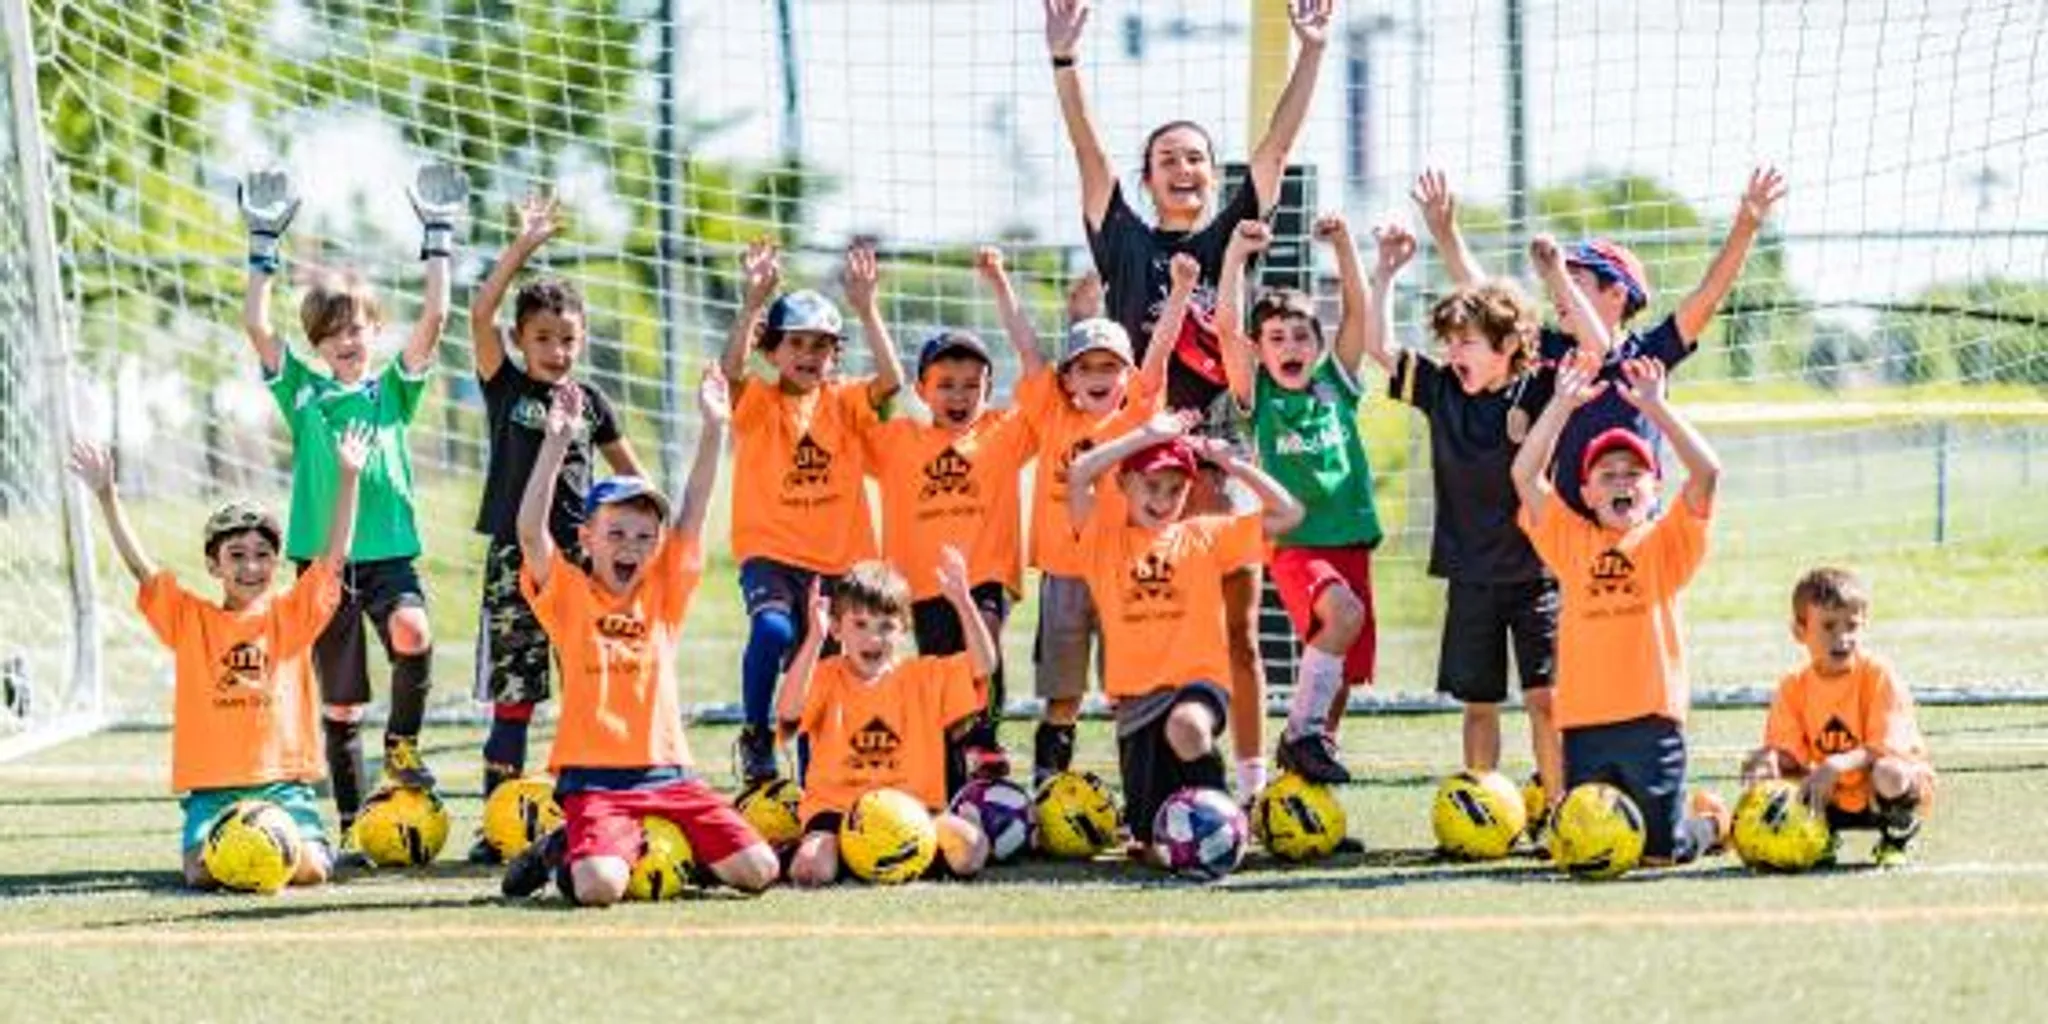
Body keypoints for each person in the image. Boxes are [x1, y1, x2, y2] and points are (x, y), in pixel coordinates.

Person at [1045, 0, 1336, 801]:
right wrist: (1065, 63)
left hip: (1214, 445)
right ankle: (1137, 781)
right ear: (1148, 177)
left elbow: (1277, 145)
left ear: (1214, 175)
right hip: (1138, 452)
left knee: (1239, 629)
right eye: (1168, 157)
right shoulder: (1125, 239)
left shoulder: (1230, 235)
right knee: (1134, 616)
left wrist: (1311, 51)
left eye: (1197, 158)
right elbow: (1086, 147)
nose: (1184, 168)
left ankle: (1245, 786)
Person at [239, 166, 464, 850]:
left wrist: (438, 236)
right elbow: (255, 320)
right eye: (333, 330)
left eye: (359, 326)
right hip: (323, 560)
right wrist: (262, 243)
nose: (348, 339)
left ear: (374, 330)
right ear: (317, 341)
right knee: (341, 702)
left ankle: (402, 748)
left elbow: (438, 315)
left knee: (413, 633)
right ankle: (347, 823)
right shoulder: (303, 391)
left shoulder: (393, 390)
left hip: (390, 554)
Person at [500, 371, 779, 905]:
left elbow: (694, 509)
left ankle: (659, 849)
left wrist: (714, 426)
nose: (632, 546)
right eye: (617, 534)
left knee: (760, 869)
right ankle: (562, 850)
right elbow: (530, 532)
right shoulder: (567, 594)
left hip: (669, 774)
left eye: (644, 537)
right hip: (596, 782)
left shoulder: (663, 594)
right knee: (600, 889)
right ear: (587, 538)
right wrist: (555, 444)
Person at [69, 425, 370, 889]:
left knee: (310, 871)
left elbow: (334, 557)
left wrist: (349, 477)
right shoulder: (190, 621)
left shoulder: (293, 615)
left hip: (283, 787)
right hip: (213, 792)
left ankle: (279, 850)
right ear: (214, 565)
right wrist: (107, 495)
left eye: (263, 555)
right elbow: (141, 570)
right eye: (237, 555)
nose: (251, 567)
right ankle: (245, 856)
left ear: (275, 562)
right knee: (201, 875)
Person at [1364, 217, 1586, 821]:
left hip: (1536, 571)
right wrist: (1383, 273)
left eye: (1466, 341)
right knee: (1479, 701)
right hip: (1471, 574)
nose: (1452, 352)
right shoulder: (1441, 391)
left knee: (1546, 697)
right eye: (1449, 342)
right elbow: (1379, 347)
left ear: (1507, 347)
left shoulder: (1537, 390)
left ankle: (1562, 809)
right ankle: (1482, 809)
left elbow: (1591, 351)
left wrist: (1557, 276)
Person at [1415, 167, 1786, 518]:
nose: (1559, 289)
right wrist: (1446, 234)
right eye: (1559, 278)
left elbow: (1708, 297)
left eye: (1576, 281)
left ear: (1617, 295)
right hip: (1573, 540)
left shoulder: (1648, 354)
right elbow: (1485, 299)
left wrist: (1745, 226)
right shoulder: (1553, 350)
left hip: (1637, 535)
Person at [464, 192, 650, 863]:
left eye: (567, 338)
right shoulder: (505, 387)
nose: (556, 350)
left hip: (580, 571)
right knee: (513, 700)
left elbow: (635, 483)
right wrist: (523, 248)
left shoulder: (590, 402)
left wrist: (646, 541)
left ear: (583, 339)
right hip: (517, 561)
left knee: (588, 689)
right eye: (542, 338)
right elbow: (478, 311)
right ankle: (498, 822)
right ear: (520, 341)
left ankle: (591, 806)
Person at [1512, 353, 1731, 865]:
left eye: (1634, 474)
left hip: (1652, 722)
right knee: (1589, 847)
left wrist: (1656, 409)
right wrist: (1562, 404)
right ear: (1585, 493)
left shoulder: (1665, 542)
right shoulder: (1571, 541)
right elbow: (1525, 475)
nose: (1620, 482)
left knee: (1659, 854)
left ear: (1655, 491)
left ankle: (1710, 821)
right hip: (1585, 725)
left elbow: (1708, 471)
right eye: (1606, 475)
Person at [1066, 414, 1304, 855]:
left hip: (1198, 685)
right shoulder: (1103, 542)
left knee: (1188, 726)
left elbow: (1290, 513)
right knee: (1149, 842)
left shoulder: (1204, 537)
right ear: (1125, 484)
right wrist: (1146, 435)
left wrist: (1232, 466)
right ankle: (1172, 829)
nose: (1165, 500)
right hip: (1136, 702)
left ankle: (1228, 820)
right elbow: (1079, 474)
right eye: (1152, 487)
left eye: (1176, 489)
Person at [721, 239, 906, 784]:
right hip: (772, 554)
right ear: (771, 349)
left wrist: (867, 306)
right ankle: (757, 735)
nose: (808, 355)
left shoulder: (844, 401)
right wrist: (753, 301)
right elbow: (730, 373)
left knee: (822, 671)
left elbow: (892, 383)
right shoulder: (759, 403)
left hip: (838, 566)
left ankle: (813, 780)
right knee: (775, 632)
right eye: (796, 343)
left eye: (822, 346)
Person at [985, 257, 1174, 787]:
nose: (1098, 377)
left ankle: (1142, 793)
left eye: (1110, 367)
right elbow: (1026, 347)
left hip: (1121, 575)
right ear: (1066, 378)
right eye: (1085, 367)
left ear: (1127, 376)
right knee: (1062, 694)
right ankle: (1048, 788)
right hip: (1064, 576)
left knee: (1128, 691)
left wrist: (1179, 291)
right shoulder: (1052, 413)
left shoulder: (1134, 415)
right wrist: (1002, 281)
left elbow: (1157, 354)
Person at [860, 248, 1042, 785]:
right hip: (920, 583)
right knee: (940, 666)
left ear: (989, 387)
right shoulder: (897, 441)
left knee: (981, 638)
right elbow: (856, 415)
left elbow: (1038, 372)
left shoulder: (1004, 432)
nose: (959, 394)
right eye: (946, 384)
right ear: (923, 390)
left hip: (986, 574)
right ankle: (947, 772)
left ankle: (985, 742)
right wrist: (867, 308)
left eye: (972, 384)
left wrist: (1003, 285)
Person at [1214, 216, 1381, 786]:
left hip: (1352, 539)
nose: (1290, 347)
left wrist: (1344, 245)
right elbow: (1226, 326)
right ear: (1259, 349)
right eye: (1277, 338)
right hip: (1297, 542)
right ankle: (1298, 735)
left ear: (1317, 343)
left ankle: (1308, 787)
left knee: (1341, 673)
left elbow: (1357, 315)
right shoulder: (1256, 395)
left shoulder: (1336, 382)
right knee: (1342, 616)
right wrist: (1236, 256)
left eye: (1302, 336)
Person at [778, 551, 1000, 885]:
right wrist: (814, 638)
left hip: (913, 810)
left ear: (904, 629)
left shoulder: (925, 676)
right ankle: (810, 850)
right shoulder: (825, 676)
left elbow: (985, 666)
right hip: (839, 809)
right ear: (838, 628)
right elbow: (788, 712)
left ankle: (888, 853)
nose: (873, 639)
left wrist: (964, 602)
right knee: (812, 871)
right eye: (860, 624)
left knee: (971, 852)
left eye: (886, 626)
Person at [1742, 567, 1935, 867]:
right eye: (1829, 626)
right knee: (1768, 771)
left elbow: (1886, 747)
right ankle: (1818, 835)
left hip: (1878, 790)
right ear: (1800, 631)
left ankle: (1898, 833)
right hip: (1829, 795)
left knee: (1891, 772)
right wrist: (1769, 760)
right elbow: (1790, 754)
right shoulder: (1793, 685)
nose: (1842, 637)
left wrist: (1836, 763)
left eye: (1852, 626)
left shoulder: (1878, 675)